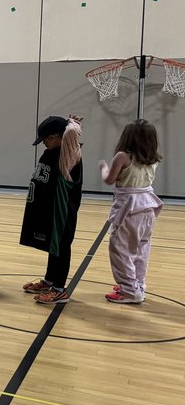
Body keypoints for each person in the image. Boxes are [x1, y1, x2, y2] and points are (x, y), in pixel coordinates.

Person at [20, 114, 83, 305]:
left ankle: (59, 290)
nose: (44, 143)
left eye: (47, 139)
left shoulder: (68, 153)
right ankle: (49, 281)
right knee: (53, 247)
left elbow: (71, 133)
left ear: (59, 137)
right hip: (48, 209)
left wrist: (71, 124)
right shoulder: (53, 151)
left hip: (61, 210)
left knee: (61, 247)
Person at [98, 119, 163, 304]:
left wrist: (103, 168)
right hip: (148, 208)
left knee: (120, 250)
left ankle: (129, 291)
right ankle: (137, 286)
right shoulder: (153, 158)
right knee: (141, 249)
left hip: (129, 209)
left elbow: (109, 180)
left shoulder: (122, 157)